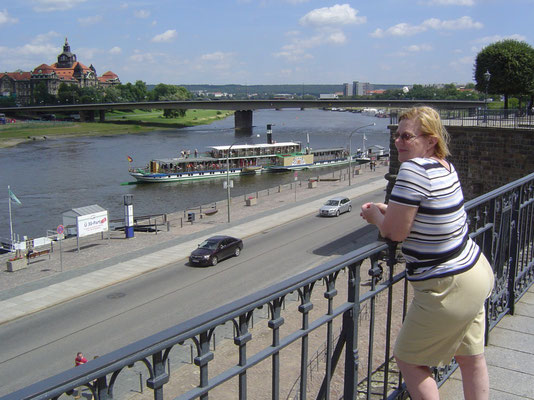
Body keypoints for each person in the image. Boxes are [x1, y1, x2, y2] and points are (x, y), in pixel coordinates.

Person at [360, 106, 494, 400]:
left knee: (409, 359)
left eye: (407, 136)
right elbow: (427, 212)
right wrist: (392, 212)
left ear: (431, 140)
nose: (398, 142)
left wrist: (374, 216)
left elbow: (395, 232)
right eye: (397, 135)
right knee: (471, 359)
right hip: (475, 270)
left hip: (447, 286)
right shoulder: (444, 165)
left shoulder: (412, 169)